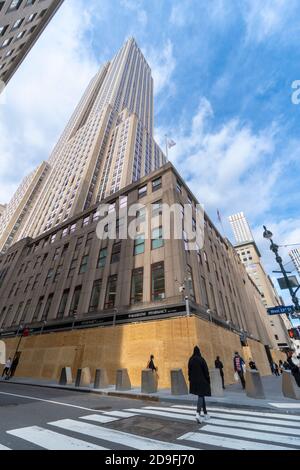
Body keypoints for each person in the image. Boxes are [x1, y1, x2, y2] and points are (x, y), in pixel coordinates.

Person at [188, 346, 211, 424]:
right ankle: (198, 413)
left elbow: (189, 371)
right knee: (201, 395)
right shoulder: (201, 359)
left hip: (194, 382)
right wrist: (208, 379)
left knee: (201, 395)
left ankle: (205, 413)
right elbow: (206, 371)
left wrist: (190, 379)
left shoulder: (190, 360)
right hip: (202, 380)